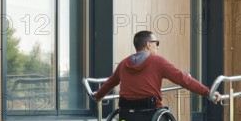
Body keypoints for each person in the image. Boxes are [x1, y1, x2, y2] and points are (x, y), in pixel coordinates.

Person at [93, 30, 222, 106]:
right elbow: (183, 79)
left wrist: (98, 96)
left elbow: (109, 83)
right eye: (156, 43)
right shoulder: (158, 62)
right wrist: (207, 92)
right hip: (151, 111)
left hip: (127, 112)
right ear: (149, 45)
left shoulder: (123, 64)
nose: (157, 47)